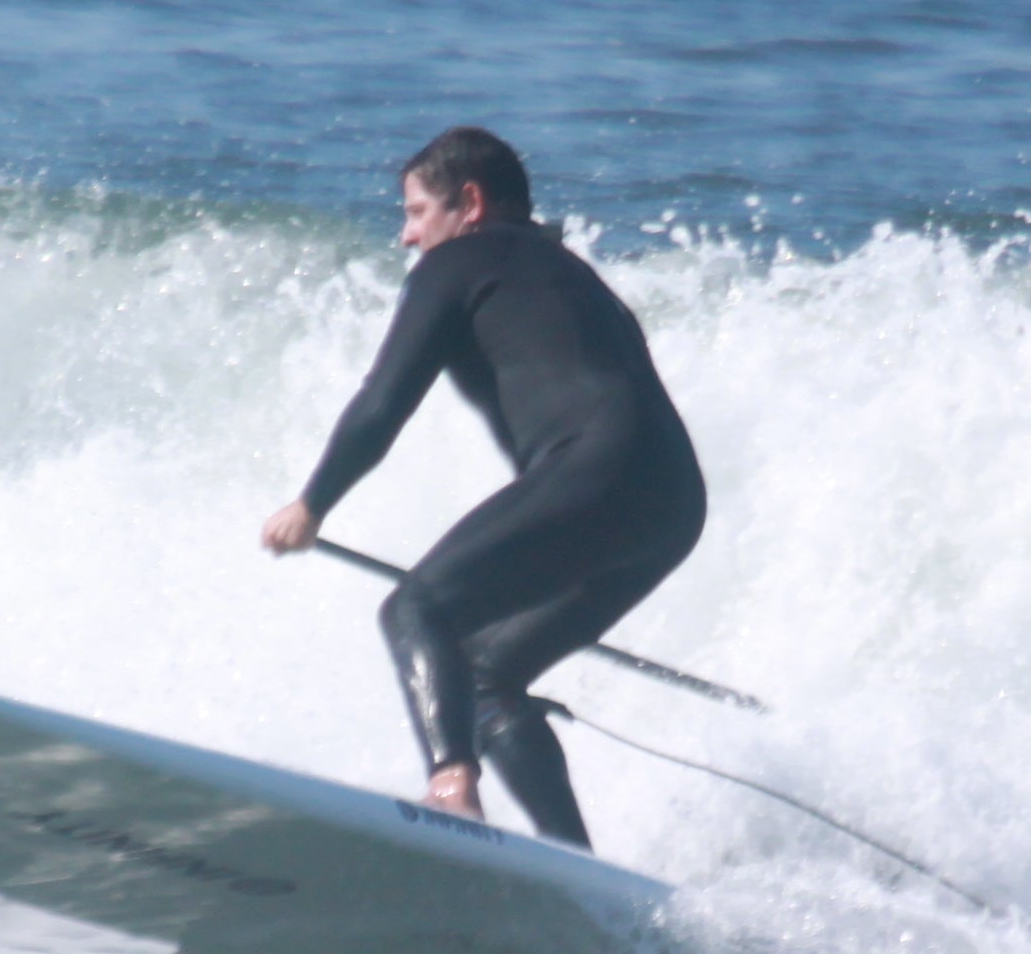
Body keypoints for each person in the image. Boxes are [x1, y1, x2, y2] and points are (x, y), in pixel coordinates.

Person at [258, 127, 705, 849]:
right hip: (674, 501)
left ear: (468, 202)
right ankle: (576, 866)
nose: (406, 237)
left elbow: (382, 404)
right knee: (487, 678)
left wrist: (312, 505)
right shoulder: (569, 273)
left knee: (417, 607)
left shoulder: (459, 261)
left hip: (599, 467)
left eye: (413, 212)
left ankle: (452, 789)